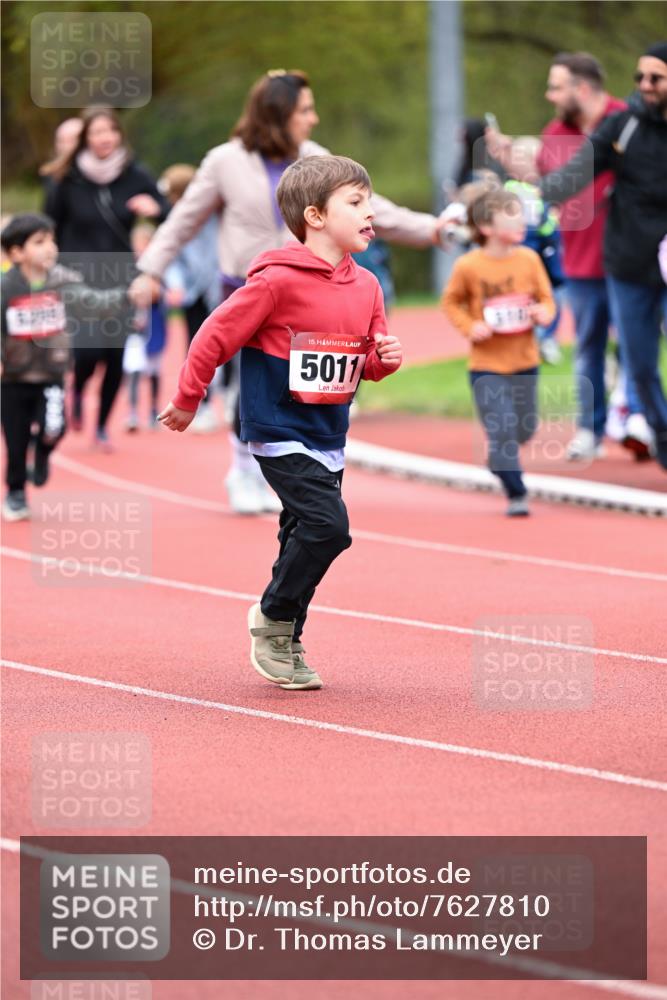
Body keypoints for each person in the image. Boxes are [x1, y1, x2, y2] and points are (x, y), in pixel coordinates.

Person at [129, 69, 444, 513]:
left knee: (296, 384)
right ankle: (242, 469)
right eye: (305, 111)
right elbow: (183, 220)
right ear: (278, 115)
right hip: (249, 285)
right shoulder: (224, 161)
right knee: (246, 384)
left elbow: (372, 208)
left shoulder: (315, 157)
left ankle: (285, 469)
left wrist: (432, 229)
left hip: (309, 291)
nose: (313, 119)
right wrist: (151, 271)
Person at [158, 155, 402, 690]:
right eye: (356, 203)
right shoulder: (275, 283)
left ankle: (286, 639)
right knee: (327, 528)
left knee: (301, 534)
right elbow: (213, 335)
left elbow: (370, 365)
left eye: (370, 201)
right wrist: (187, 395)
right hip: (277, 430)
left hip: (329, 433)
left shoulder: (367, 287)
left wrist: (386, 357)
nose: (370, 213)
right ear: (315, 216)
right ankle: (272, 618)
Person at [486, 52, 652, 460]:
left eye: (556, 86)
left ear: (581, 88)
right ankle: (590, 431)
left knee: (637, 346)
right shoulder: (554, 133)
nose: (549, 94)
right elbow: (548, 189)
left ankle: (638, 421)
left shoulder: (631, 119)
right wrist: (513, 166)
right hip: (579, 260)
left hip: (631, 258)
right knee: (588, 347)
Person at [537, 43, 667, 471]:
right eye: (640, 78)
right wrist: (529, 196)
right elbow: (569, 177)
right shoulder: (622, 125)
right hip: (628, 267)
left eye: (655, 78)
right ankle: (661, 439)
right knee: (640, 363)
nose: (645, 86)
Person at [42, 106, 168, 451]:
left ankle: (100, 426)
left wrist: (155, 209)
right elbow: (48, 225)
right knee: (86, 352)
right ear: (86, 137)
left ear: (118, 135)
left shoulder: (134, 174)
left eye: (110, 130)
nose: (105, 138)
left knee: (114, 357)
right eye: (97, 132)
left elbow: (169, 214)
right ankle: (79, 390)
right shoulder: (67, 178)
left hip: (120, 274)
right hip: (77, 276)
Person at [1, 213, 126, 520]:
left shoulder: (62, 282)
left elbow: (93, 303)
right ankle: (16, 491)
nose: (49, 248)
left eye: (52, 240)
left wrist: (127, 296)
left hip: (51, 375)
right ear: (16, 252)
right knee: (15, 441)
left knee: (54, 428)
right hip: (12, 379)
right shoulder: (6, 287)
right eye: (39, 242)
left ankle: (42, 454)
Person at [441, 188, 556, 517]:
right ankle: (516, 492)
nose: (521, 222)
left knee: (525, 428)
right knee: (502, 428)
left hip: (525, 361)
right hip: (486, 365)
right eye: (512, 217)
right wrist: (469, 326)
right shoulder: (469, 266)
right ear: (487, 227)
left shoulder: (529, 260)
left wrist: (543, 314)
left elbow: (546, 300)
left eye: (521, 216)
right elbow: (451, 302)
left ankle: (500, 459)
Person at [158, 164, 224, 434]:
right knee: (196, 346)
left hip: (221, 287)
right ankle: (204, 406)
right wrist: (175, 285)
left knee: (231, 348)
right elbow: (173, 257)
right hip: (192, 292)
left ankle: (230, 396)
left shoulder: (217, 214)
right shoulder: (176, 220)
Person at [122, 223, 169, 431]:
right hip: (134, 329)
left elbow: (162, 294)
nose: (141, 249)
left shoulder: (158, 270)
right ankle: (132, 413)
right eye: (138, 245)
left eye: (146, 244)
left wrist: (153, 290)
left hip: (155, 326)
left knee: (153, 370)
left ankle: (153, 410)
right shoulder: (128, 269)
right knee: (133, 369)